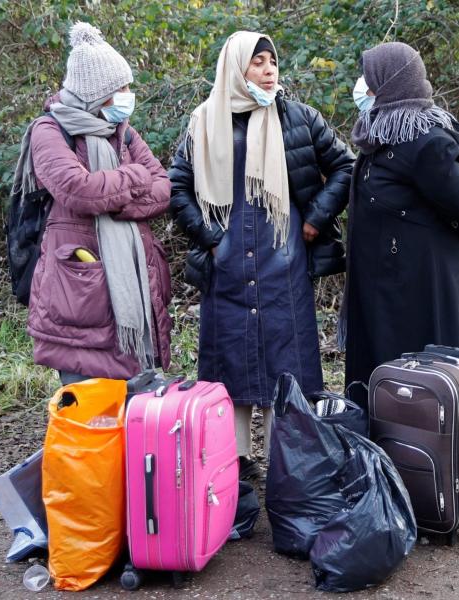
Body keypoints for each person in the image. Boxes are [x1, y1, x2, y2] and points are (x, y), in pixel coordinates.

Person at [169, 31, 354, 477]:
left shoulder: (298, 118)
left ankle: (279, 458)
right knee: (230, 361)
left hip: (282, 262)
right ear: (236, 68)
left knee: (283, 361)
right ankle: (235, 461)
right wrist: (211, 238)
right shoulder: (204, 120)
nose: (269, 70)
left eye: (273, 61)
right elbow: (176, 185)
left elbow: (345, 167)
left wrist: (314, 219)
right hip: (227, 264)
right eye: (258, 63)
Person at [13, 22, 172, 385]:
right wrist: (133, 178)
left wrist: (114, 201)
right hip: (80, 289)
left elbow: (163, 187)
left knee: (133, 411)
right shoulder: (50, 130)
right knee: (89, 413)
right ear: (96, 93)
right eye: (122, 88)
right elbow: (78, 190)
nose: (129, 95)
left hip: (131, 281)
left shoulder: (124, 131)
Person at [341, 42, 459, 407]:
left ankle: (429, 446)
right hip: (389, 279)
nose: (362, 85)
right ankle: (386, 442)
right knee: (388, 365)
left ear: (391, 82)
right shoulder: (380, 135)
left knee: (422, 373)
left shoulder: (425, 140)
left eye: (369, 77)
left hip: (421, 281)